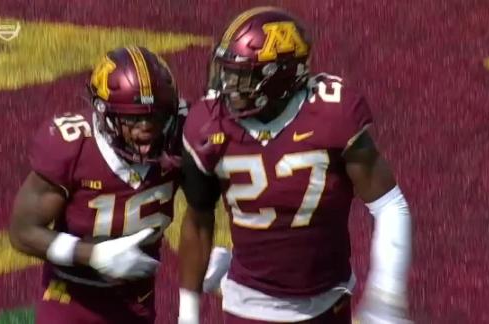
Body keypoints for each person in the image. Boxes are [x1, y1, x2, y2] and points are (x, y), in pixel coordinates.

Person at [177, 7, 413, 324]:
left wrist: (386, 297)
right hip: (250, 304)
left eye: (242, 78)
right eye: (227, 74)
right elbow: (198, 219)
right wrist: (187, 316)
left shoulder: (333, 114)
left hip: (329, 298)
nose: (228, 88)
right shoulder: (207, 125)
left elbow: (389, 205)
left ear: (280, 77)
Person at [9, 46, 185, 324]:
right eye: (132, 118)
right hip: (71, 296)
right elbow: (23, 231)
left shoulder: (181, 136)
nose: (146, 128)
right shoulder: (73, 146)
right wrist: (92, 254)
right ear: (104, 113)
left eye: (156, 116)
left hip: (135, 298)